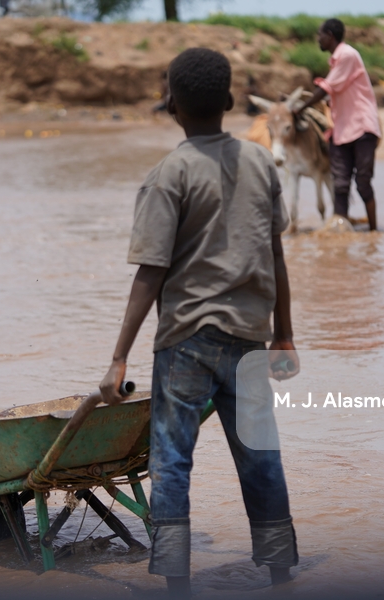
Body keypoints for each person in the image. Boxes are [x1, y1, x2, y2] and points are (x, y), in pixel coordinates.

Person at [98, 48, 300, 596]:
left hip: (186, 342)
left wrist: (119, 358)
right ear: (230, 102)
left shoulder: (169, 175)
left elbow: (150, 274)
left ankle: (177, 585)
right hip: (250, 339)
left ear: (172, 103)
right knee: (260, 457)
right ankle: (282, 572)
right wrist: (284, 335)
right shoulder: (258, 164)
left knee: (171, 463)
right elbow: (276, 256)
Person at [293, 18, 381, 231]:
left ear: (330, 36)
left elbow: (327, 88)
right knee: (340, 184)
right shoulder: (337, 60)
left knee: (362, 182)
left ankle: (373, 231)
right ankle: (340, 231)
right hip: (342, 131)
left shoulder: (347, 55)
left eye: (319, 35)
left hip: (361, 127)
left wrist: (301, 107)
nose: (318, 39)